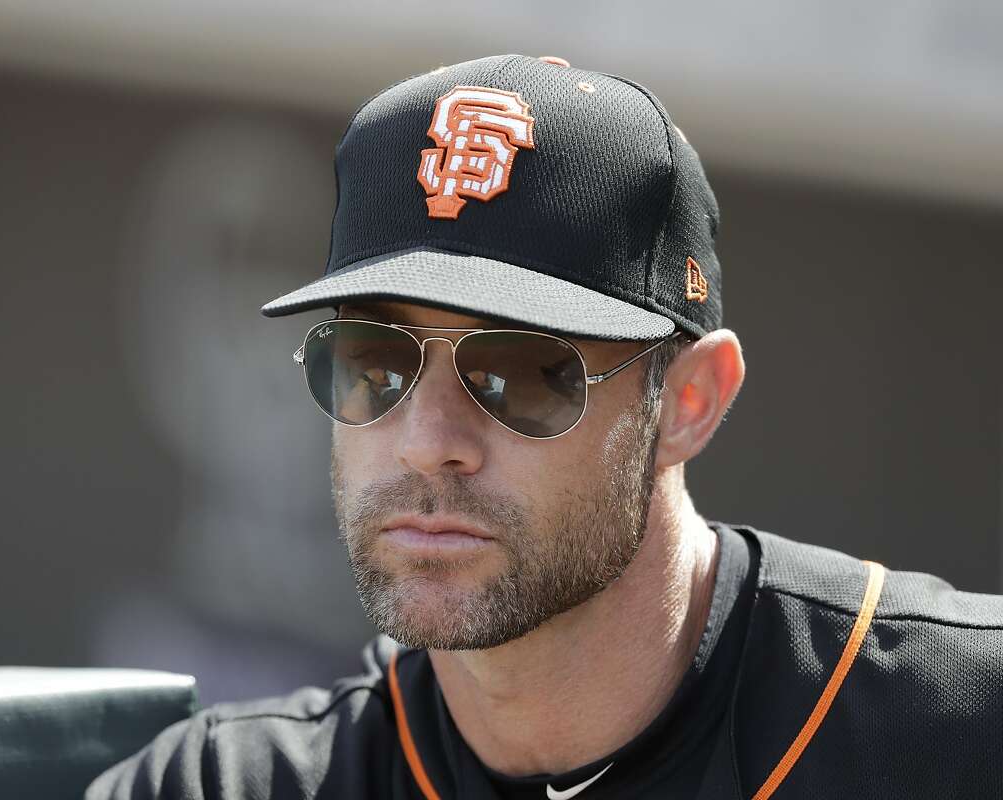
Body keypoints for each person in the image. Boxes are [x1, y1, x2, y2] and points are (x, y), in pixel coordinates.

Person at [87, 54, 1002, 799]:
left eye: (517, 371)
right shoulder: (224, 787)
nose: (425, 438)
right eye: (375, 361)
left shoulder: (956, 729)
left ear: (689, 401)